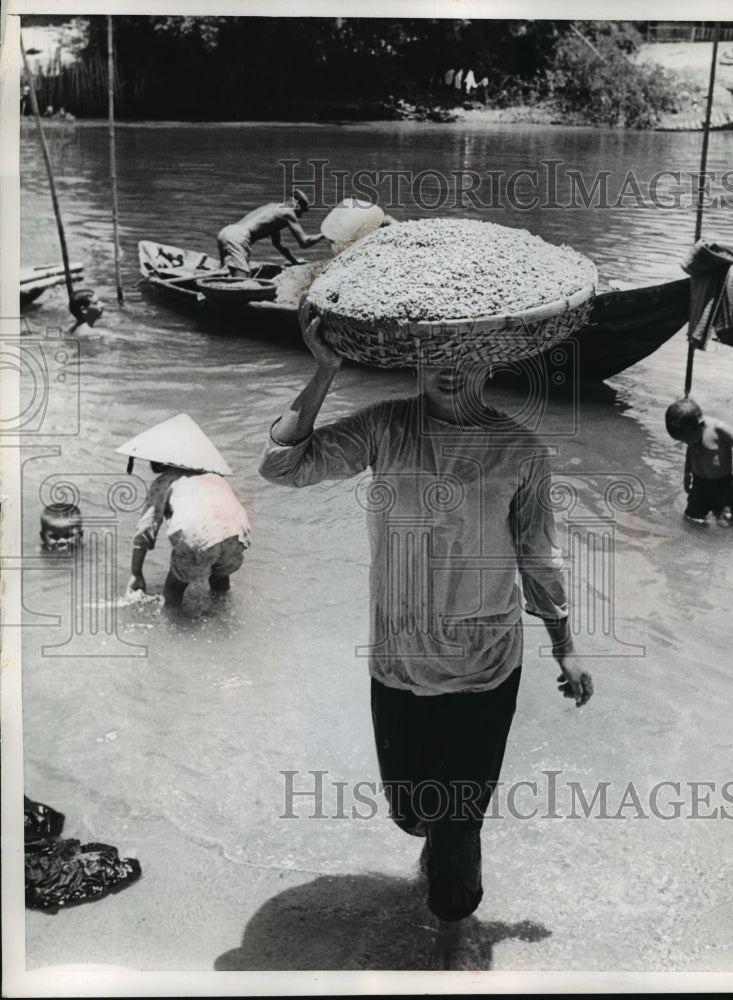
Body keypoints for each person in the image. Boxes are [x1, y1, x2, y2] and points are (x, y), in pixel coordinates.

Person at [259, 302, 593, 968]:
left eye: (468, 354)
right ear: (416, 359)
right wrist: (325, 367)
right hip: (400, 661)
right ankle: (434, 845)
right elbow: (283, 465)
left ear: (491, 361)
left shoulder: (521, 451)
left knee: (458, 815)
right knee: (412, 811)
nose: (450, 369)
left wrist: (565, 646)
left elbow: (539, 554)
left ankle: (453, 930)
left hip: (486, 664)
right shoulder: (386, 428)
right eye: (436, 354)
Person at [117, 414, 252, 608]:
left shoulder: (165, 481)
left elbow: (145, 530)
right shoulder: (214, 476)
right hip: (237, 533)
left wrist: (136, 573)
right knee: (220, 579)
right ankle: (223, 620)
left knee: (173, 588)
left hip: (198, 535)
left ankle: (169, 630)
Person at [665, 397, 733, 523]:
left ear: (700, 425)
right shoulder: (692, 432)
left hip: (724, 486)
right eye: (684, 441)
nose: (688, 443)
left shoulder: (718, 429)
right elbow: (691, 451)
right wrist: (687, 472)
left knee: (727, 523)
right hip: (699, 485)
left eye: (689, 439)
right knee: (691, 520)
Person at [216, 189, 326, 275]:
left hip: (227, 232)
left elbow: (278, 244)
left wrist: (294, 262)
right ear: (296, 202)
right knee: (240, 283)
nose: (300, 216)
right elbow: (304, 242)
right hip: (239, 238)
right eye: (301, 211)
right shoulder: (288, 211)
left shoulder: (272, 207)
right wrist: (325, 234)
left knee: (226, 274)